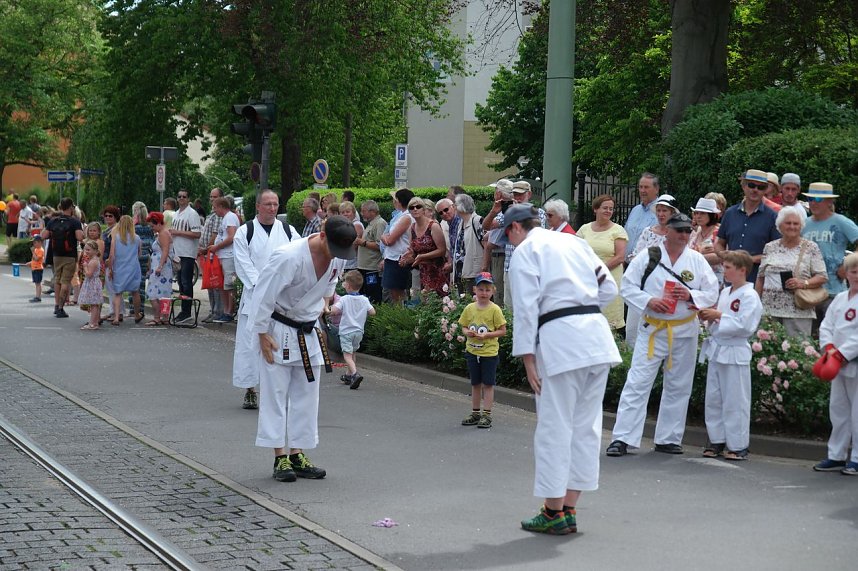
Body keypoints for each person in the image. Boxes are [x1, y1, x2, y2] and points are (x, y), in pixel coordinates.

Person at [501, 203, 620, 535]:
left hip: (560, 343)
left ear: (514, 229)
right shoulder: (574, 241)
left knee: (555, 426)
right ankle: (568, 507)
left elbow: (526, 307)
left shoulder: (527, 250)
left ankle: (553, 512)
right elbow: (608, 288)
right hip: (596, 339)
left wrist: (527, 357)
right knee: (586, 425)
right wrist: (579, 311)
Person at [245, 215, 357, 483]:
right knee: (276, 393)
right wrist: (261, 334)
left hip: (308, 330)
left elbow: (329, 286)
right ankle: (279, 456)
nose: (335, 257)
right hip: (278, 330)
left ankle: (297, 453)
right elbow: (263, 294)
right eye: (333, 249)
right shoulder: (288, 256)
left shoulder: (337, 257)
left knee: (307, 395)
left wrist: (324, 305)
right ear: (321, 235)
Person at [607, 213, 719, 457]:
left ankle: (668, 438)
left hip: (685, 329)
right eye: (678, 230)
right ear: (667, 230)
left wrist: (691, 296)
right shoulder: (649, 256)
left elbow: (711, 292)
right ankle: (623, 437)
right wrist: (649, 301)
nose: (683, 235)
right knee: (638, 381)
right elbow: (627, 286)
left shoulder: (697, 260)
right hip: (654, 328)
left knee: (679, 384)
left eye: (687, 231)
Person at [232, 189, 297, 410]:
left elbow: (298, 258)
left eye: (275, 204)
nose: (272, 208)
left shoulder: (288, 231)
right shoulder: (245, 232)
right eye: (268, 204)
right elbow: (243, 263)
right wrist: (263, 287)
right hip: (255, 296)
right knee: (250, 346)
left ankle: (279, 390)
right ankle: (250, 389)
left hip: (282, 299)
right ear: (258, 206)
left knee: (280, 344)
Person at [698, 250, 763, 461]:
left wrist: (717, 315)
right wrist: (708, 317)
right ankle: (716, 439)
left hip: (735, 350)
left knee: (736, 399)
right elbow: (718, 322)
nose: (724, 271)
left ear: (742, 270)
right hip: (718, 348)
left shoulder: (749, 295)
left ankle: (738, 444)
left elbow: (745, 325)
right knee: (714, 398)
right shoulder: (725, 293)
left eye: (728, 268)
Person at [813, 252, 858, 475]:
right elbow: (826, 325)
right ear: (846, 274)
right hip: (836, 362)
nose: (857, 275)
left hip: (852, 360)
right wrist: (829, 348)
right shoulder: (840, 298)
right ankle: (836, 455)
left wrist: (842, 354)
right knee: (838, 410)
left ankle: (857, 458)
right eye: (853, 271)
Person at [755, 206, 827, 338]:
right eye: (788, 223)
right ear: (779, 226)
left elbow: (822, 277)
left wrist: (802, 283)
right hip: (768, 311)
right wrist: (756, 303)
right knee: (767, 354)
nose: (792, 227)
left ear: (801, 226)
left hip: (798, 311)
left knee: (797, 352)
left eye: (796, 223)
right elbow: (761, 277)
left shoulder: (811, 247)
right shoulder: (770, 247)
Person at [482, 180, 546, 308]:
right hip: (509, 267)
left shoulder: (538, 212)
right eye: (515, 195)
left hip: (529, 269)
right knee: (509, 308)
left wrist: (517, 213)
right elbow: (487, 226)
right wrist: (494, 211)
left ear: (529, 194)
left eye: (520, 195)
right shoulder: (508, 213)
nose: (517, 198)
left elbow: (534, 236)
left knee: (527, 307)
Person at [801, 182, 858, 326]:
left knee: (834, 334)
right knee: (808, 340)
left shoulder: (840, 221)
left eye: (818, 199)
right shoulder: (804, 224)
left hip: (833, 292)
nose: (813, 202)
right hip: (808, 292)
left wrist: (847, 265)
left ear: (829, 202)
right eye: (810, 199)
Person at [626, 195, 678, 345]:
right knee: (632, 328)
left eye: (665, 211)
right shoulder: (648, 232)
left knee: (657, 330)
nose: (661, 214)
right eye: (659, 210)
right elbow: (637, 255)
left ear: (672, 213)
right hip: (642, 283)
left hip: (664, 287)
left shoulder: (676, 235)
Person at [458, 272, 506, 429]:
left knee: (488, 384)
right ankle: (475, 412)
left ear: (493, 291)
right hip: (472, 352)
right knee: (475, 383)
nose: (484, 293)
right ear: (474, 290)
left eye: (487, 289)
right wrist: (467, 333)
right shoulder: (469, 308)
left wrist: (487, 335)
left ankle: (487, 414)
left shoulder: (495, 310)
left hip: (489, 354)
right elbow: (464, 326)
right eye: (481, 289)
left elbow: (502, 330)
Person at [715, 168, 780, 283]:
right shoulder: (730, 213)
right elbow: (720, 243)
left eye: (761, 187)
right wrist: (722, 254)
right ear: (743, 186)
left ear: (765, 190)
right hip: (730, 281)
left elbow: (777, 253)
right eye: (751, 185)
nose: (755, 190)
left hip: (758, 282)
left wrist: (749, 260)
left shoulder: (773, 217)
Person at [576, 195, 628, 330]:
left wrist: (599, 270)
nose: (608, 211)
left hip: (610, 278)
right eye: (605, 208)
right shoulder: (584, 229)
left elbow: (620, 257)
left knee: (609, 321)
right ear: (595, 209)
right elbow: (576, 251)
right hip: (587, 278)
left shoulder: (618, 230)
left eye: (611, 209)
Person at [330, 270, 376, 389]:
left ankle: (355, 374)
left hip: (346, 331)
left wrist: (328, 309)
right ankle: (348, 375)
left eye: (344, 282)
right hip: (359, 332)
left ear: (348, 286)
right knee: (353, 353)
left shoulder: (344, 299)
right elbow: (372, 312)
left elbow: (334, 311)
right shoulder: (364, 300)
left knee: (347, 355)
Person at [42, 198, 84, 318]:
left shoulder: (53, 221)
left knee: (57, 280)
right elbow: (80, 237)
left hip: (56, 255)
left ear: (60, 207)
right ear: (71, 207)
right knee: (66, 281)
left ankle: (56, 305)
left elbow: (44, 235)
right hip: (70, 255)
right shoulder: (75, 222)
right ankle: (61, 308)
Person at [403, 196, 447, 297]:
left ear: (423, 210)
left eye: (418, 206)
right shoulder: (412, 228)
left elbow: (442, 250)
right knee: (426, 301)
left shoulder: (433, 226)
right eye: (411, 207)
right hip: (423, 271)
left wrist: (423, 256)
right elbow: (412, 251)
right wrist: (406, 258)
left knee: (440, 300)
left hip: (437, 270)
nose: (415, 209)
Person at [170, 190, 201, 324]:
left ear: (188, 199)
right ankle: (183, 310)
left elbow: (197, 233)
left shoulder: (192, 214)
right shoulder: (176, 213)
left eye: (184, 196)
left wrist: (178, 232)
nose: (181, 198)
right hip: (177, 252)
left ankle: (187, 311)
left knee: (186, 281)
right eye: (179, 196)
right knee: (181, 282)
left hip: (187, 252)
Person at [380, 188, 415, 304]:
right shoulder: (401, 216)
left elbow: (390, 239)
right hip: (392, 257)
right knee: (393, 292)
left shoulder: (406, 217)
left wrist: (383, 237)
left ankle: (401, 316)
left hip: (397, 258)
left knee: (397, 293)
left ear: (400, 201)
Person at [107, 215, 143, 326]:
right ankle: (137, 314)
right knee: (135, 292)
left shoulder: (116, 238)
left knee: (118, 293)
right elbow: (139, 254)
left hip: (119, 267)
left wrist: (111, 268)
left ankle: (117, 317)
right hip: (133, 268)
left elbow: (112, 255)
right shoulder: (136, 238)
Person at [209, 197, 240, 323]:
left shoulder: (230, 217)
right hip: (223, 255)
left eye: (215, 207)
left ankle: (229, 312)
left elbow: (231, 236)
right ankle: (226, 310)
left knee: (229, 284)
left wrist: (217, 246)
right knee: (224, 284)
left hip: (229, 255)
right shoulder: (225, 218)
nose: (214, 210)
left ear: (222, 206)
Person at [199, 188, 224, 323]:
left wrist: (205, 249)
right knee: (210, 283)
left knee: (215, 283)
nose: (212, 199)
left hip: (214, 253)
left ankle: (217, 311)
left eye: (215, 197)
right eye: (211, 197)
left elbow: (215, 235)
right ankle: (212, 310)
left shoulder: (219, 216)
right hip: (208, 254)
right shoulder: (211, 215)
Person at [452, 194, 485, 295]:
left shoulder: (477, 221)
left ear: (461, 206)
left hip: (474, 271)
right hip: (461, 271)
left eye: (455, 204)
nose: (453, 207)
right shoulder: (461, 223)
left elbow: (486, 244)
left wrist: (484, 267)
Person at [623, 173, 660, 264]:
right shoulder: (635, 210)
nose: (642, 190)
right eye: (640, 187)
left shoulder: (661, 212)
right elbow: (625, 234)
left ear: (656, 189)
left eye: (646, 187)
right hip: (627, 264)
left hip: (647, 265)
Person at [144, 212, 173, 326]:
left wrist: (160, 266)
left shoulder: (163, 234)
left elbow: (165, 250)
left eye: (152, 225)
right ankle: (164, 317)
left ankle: (157, 317)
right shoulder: (162, 233)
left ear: (158, 223)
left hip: (161, 267)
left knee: (153, 292)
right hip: (160, 266)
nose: (152, 228)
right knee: (163, 293)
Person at [354, 200, 385, 303]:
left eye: (364, 211)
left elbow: (380, 245)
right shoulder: (371, 224)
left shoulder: (379, 223)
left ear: (373, 211)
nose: (362, 213)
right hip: (364, 266)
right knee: (365, 294)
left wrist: (363, 243)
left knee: (373, 295)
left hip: (372, 267)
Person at [689, 197, 723, 285]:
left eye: (703, 213)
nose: (698, 216)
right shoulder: (694, 233)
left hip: (714, 280)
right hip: (695, 279)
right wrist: (700, 252)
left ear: (712, 215)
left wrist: (696, 255)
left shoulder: (719, 233)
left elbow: (720, 257)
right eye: (696, 213)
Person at [78, 240, 105, 331]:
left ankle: (93, 323)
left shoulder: (93, 261)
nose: (86, 252)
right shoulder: (94, 260)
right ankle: (94, 322)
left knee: (94, 304)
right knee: (94, 304)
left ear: (95, 251)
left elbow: (89, 274)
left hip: (92, 283)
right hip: (94, 283)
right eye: (85, 250)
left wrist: (85, 266)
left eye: (88, 250)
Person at [131, 201, 154, 313]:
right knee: (141, 283)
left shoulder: (134, 227)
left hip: (135, 256)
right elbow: (151, 242)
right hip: (145, 256)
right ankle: (141, 308)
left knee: (133, 284)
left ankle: (133, 309)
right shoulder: (149, 227)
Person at [435, 198, 461, 289]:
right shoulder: (450, 224)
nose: (444, 213)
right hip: (456, 268)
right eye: (441, 213)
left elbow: (461, 249)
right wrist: (449, 262)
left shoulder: (460, 222)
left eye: (446, 210)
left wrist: (451, 264)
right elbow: (452, 248)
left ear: (453, 207)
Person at [339, 201, 364, 270]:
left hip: (353, 265)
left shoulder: (356, 225)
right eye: (342, 212)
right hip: (344, 263)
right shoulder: (344, 225)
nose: (345, 214)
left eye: (347, 212)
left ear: (353, 213)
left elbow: (354, 245)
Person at [25, 236, 45, 303]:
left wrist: (33, 252)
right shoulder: (36, 249)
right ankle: (37, 296)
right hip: (34, 268)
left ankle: (38, 297)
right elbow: (34, 260)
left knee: (38, 283)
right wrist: (30, 263)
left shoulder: (40, 250)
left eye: (35, 242)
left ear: (40, 242)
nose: (34, 244)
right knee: (36, 283)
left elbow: (37, 259)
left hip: (38, 268)